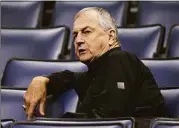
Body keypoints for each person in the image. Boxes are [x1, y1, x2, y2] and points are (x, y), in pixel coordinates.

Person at [24, 7, 169, 120]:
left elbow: (107, 119)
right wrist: (41, 80)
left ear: (111, 37)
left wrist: (60, 122)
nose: (78, 40)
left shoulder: (121, 59)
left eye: (86, 32)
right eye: (75, 35)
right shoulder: (95, 72)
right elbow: (69, 77)